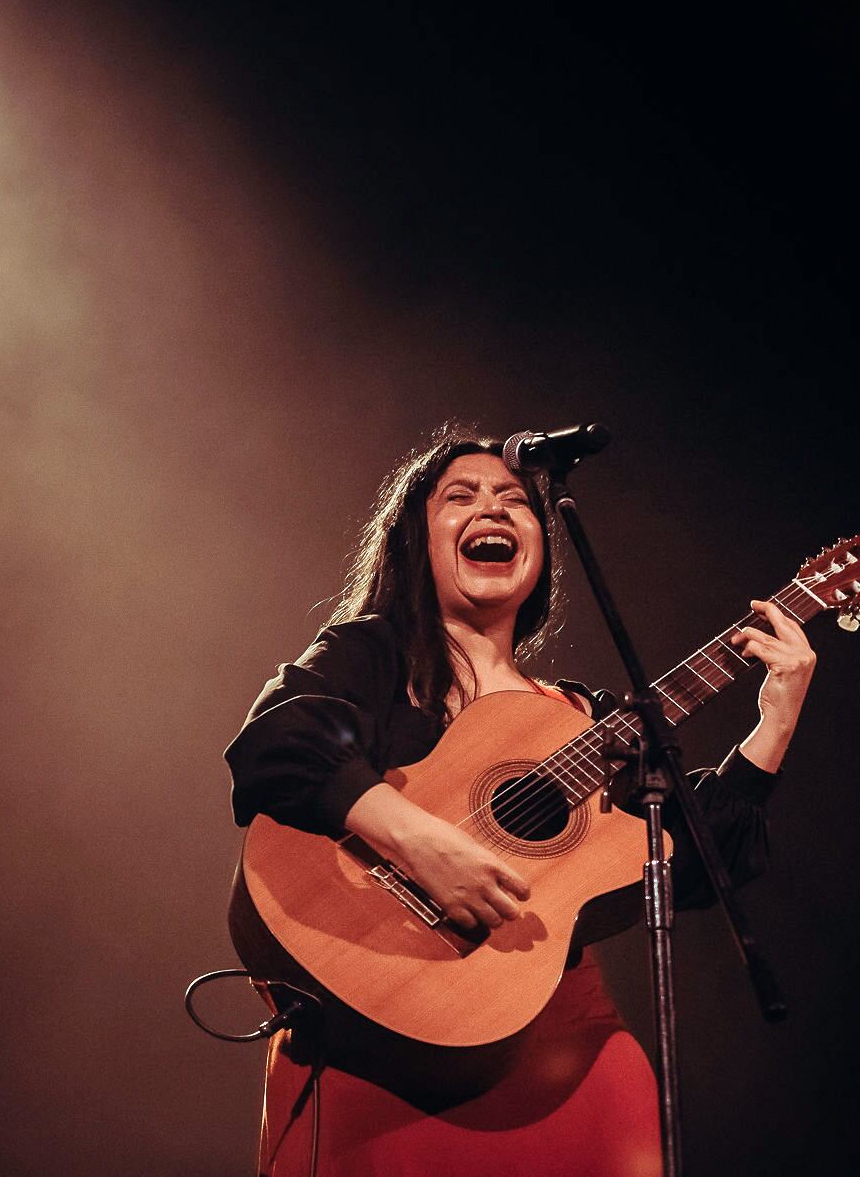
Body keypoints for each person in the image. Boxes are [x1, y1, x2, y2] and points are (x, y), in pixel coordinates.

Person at [224, 423, 817, 1176]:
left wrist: (776, 718)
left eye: (515, 500)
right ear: (417, 539)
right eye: (460, 496)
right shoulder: (371, 656)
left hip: (565, 1049)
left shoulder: (583, 718)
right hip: (373, 1030)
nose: (495, 510)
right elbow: (277, 741)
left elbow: (695, 861)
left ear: (541, 546)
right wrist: (415, 839)